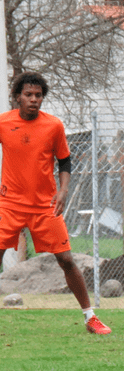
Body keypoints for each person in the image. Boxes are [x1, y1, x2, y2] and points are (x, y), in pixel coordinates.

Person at [0, 72, 111, 334]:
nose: (34, 99)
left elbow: (65, 161)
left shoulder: (54, 126)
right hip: (10, 204)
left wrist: (63, 190)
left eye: (38, 95)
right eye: (28, 95)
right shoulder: (4, 123)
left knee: (66, 259)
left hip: (45, 206)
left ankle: (90, 317)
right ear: (17, 96)